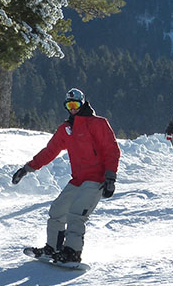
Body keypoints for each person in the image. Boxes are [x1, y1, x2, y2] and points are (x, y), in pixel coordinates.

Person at [13, 88, 121, 264]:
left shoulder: (98, 123)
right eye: (69, 105)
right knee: (57, 211)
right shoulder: (66, 129)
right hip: (78, 179)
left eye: (75, 104)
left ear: (83, 103)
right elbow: (50, 151)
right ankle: (53, 248)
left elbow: (112, 150)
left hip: (96, 178)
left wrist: (110, 177)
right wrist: (27, 168)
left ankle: (72, 252)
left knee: (76, 214)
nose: (72, 108)